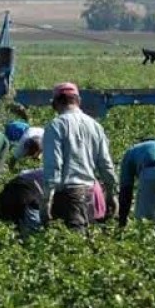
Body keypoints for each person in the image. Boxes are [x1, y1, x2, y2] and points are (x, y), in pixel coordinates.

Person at [42, 82, 118, 231]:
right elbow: (105, 163)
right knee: (87, 242)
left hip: (68, 195)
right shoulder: (95, 125)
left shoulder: (56, 125)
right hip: (91, 193)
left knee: (71, 245)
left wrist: (47, 200)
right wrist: (110, 193)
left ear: (55, 103)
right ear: (78, 101)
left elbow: (54, 165)